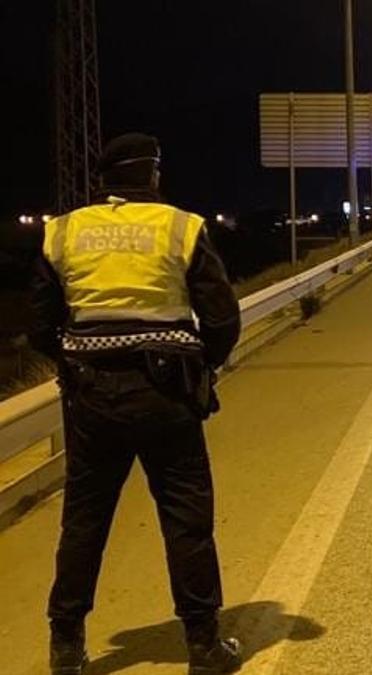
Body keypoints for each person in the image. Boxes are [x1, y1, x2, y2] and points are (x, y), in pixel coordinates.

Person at [30, 133, 243, 674]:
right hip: (168, 392)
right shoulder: (180, 227)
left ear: (103, 180)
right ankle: (202, 644)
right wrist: (203, 366)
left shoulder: (64, 231)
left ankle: (66, 646)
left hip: (91, 397)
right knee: (185, 516)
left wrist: (77, 358)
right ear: (152, 176)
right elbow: (221, 318)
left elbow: (39, 324)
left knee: (84, 519)